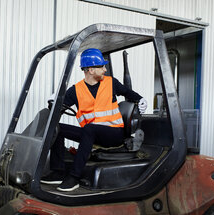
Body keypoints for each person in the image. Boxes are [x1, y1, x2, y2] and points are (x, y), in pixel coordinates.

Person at [41, 48, 147, 192]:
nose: (104, 69)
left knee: (90, 129)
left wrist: (141, 100)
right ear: (91, 70)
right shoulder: (76, 90)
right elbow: (60, 105)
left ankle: (74, 177)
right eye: (101, 66)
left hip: (114, 134)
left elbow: (128, 93)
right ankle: (58, 171)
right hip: (91, 135)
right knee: (57, 128)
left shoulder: (111, 83)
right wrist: (55, 101)